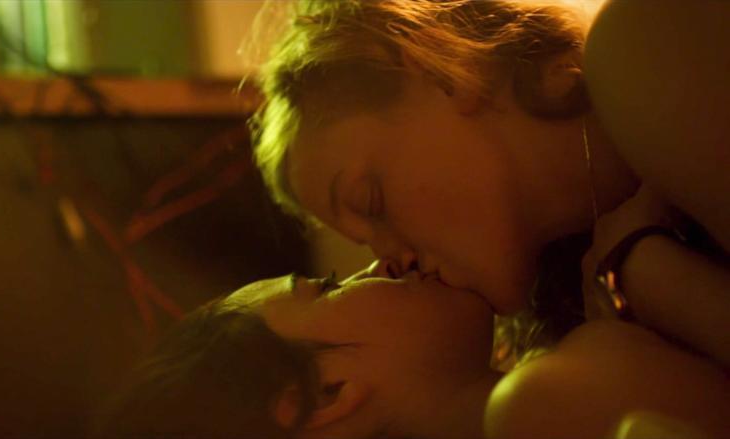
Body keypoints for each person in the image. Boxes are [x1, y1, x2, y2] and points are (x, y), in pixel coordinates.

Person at [249, 0, 730, 366]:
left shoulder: (650, 44)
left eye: (369, 201)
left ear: (441, 70)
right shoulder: (596, 305)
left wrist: (661, 281)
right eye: (366, 243)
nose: (387, 262)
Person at [96, 266, 730, 439]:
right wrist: (643, 261)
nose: (380, 262)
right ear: (325, 394)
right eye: (329, 286)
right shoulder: (540, 409)